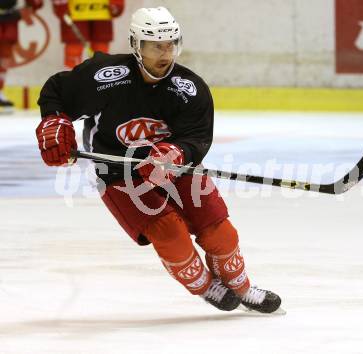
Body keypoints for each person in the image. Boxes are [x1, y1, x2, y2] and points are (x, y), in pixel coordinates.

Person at [36, 6, 281, 313]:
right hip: (117, 173)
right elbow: (57, 90)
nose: (165, 54)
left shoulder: (189, 89)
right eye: (156, 46)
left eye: (171, 45)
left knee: (221, 232)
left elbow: (197, 136)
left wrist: (175, 152)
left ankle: (243, 288)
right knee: (170, 235)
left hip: (173, 167)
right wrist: (55, 122)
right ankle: (207, 287)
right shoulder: (106, 76)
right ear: (136, 46)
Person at [52, 0, 124, 69]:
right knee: (74, 46)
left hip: (102, 13)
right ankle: (71, 74)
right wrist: (60, 5)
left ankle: (100, 73)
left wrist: (116, 3)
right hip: (75, 14)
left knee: (101, 46)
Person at [0, 0, 43, 109]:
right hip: (10, 17)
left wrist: (32, 6)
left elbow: (35, 3)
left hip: (10, 18)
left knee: (5, 57)